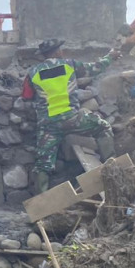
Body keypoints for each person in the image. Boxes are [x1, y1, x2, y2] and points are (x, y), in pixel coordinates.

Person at [22, 39, 118, 194]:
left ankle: (41, 202)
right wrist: (110, 56)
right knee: (103, 127)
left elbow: (26, 95)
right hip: (71, 118)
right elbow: (95, 68)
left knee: (43, 163)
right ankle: (113, 170)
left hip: (48, 125)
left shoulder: (33, 72)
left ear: (43, 55)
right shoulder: (69, 65)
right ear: (58, 51)